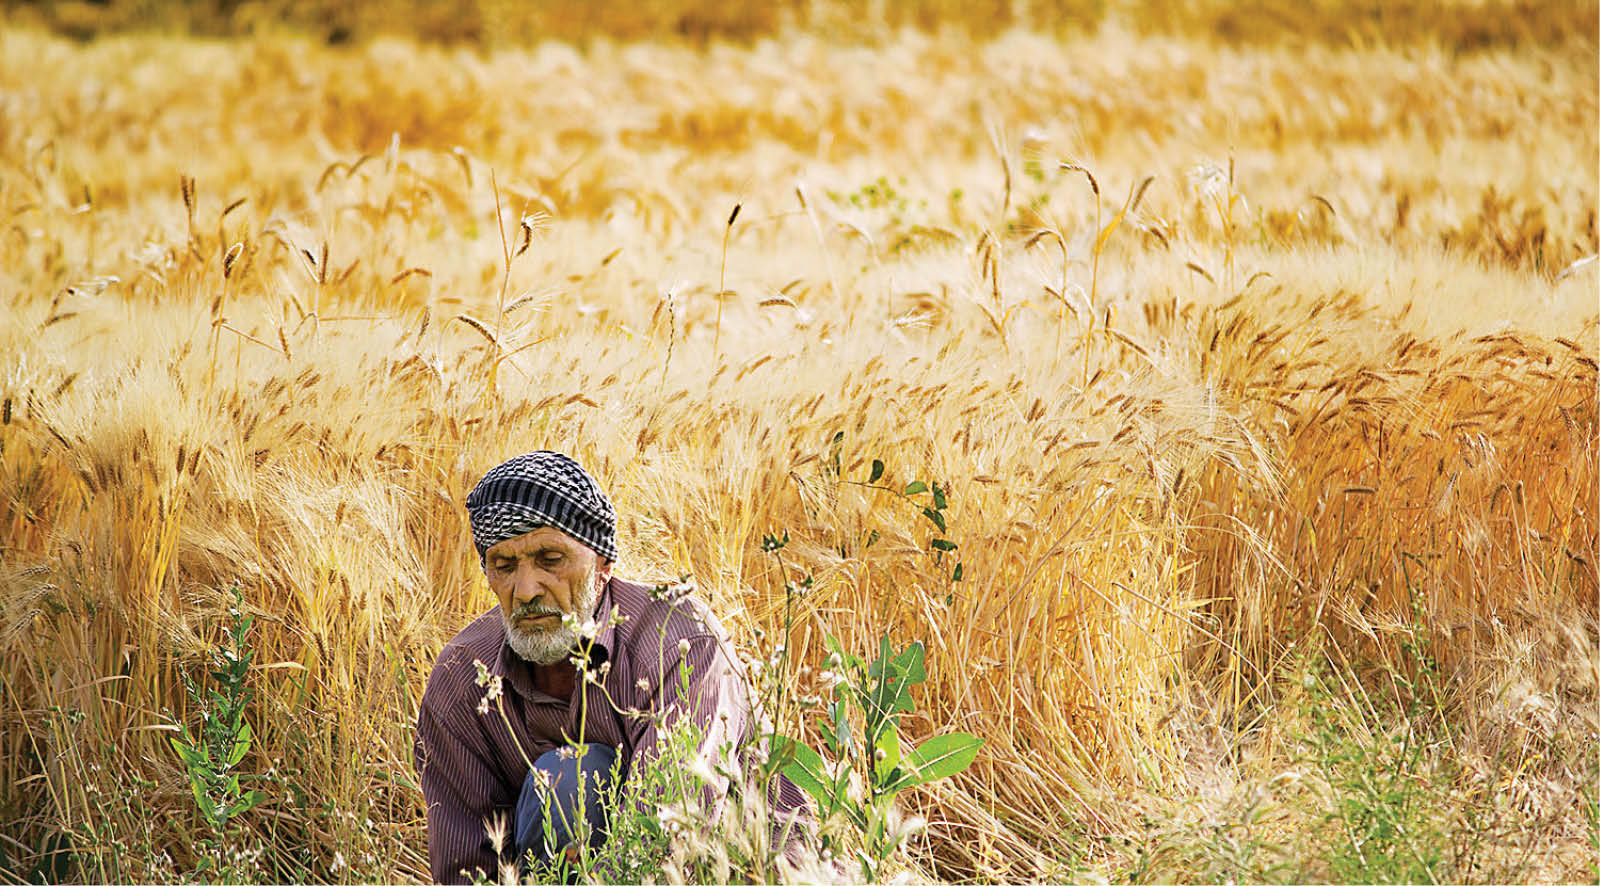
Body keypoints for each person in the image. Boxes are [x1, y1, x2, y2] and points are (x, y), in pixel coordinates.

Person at [413, 451, 802, 884]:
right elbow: (466, 870)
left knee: (572, 781)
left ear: (604, 564)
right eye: (504, 566)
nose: (524, 591)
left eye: (550, 559)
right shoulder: (461, 678)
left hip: (750, 870)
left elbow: (667, 836)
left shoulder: (677, 639)